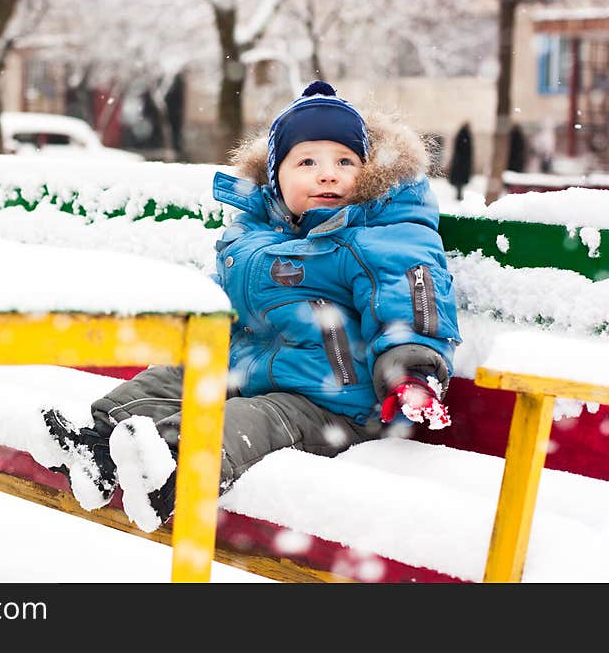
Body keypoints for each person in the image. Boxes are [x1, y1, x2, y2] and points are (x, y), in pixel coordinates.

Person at [41, 80, 462, 533]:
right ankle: (98, 448)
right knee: (172, 377)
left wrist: (411, 376)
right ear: (276, 178)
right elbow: (218, 301)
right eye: (308, 162)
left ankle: (172, 471)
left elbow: (413, 299)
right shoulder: (254, 237)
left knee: (246, 420)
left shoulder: (376, 232)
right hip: (249, 375)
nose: (329, 174)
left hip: (332, 402)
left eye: (345, 161)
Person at [448, 121, 473, 201]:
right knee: (460, 181)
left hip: (461, 162)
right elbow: (464, 149)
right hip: (461, 163)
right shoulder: (464, 135)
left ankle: (459, 194)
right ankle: (459, 195)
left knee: (460, 181)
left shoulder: (463, 135)